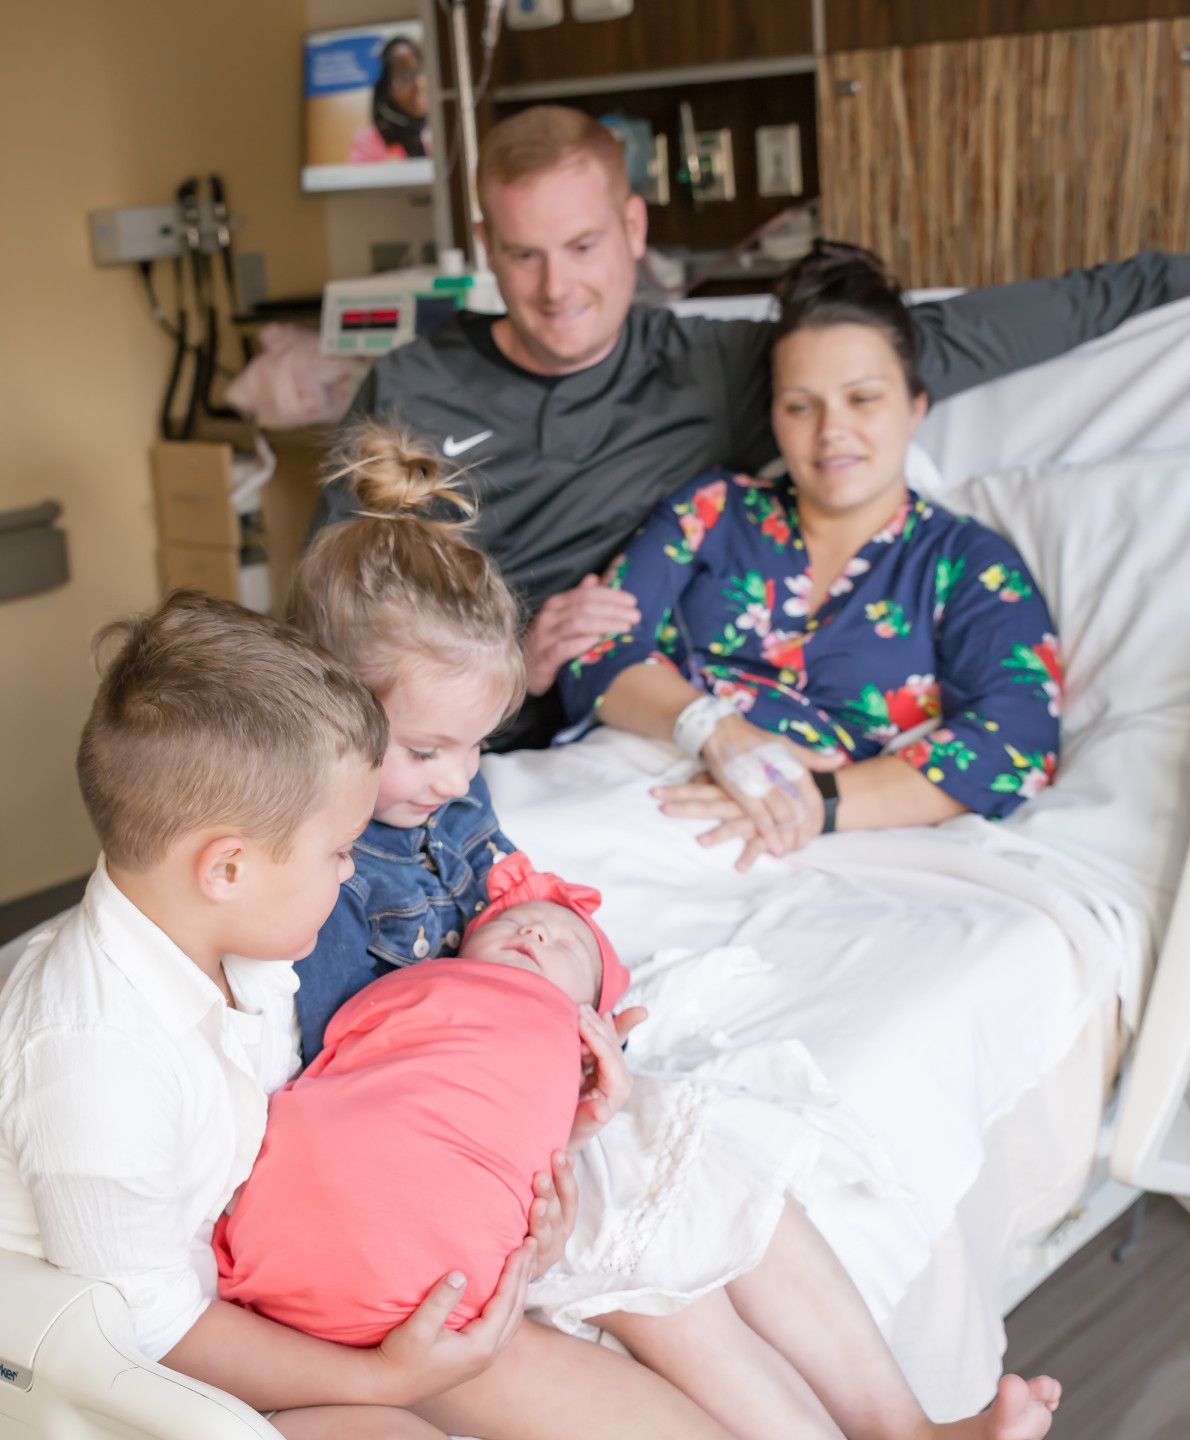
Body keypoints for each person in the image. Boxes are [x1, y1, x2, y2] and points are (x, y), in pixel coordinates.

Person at [290, 421, 1064, 1440]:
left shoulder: (450, 806)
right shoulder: (315, 879)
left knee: (717, 1166)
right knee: (670, 1282)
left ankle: (906, 1428)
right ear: (325, 712)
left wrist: (584, 1007)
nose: (460, 779)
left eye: (479, 747)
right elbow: (346, 1075)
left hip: (525, 1089)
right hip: (452, 1142)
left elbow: (529, 908)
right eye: (431, 749)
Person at [312, 104, 1190, 749]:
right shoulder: (412, 387)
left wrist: (1168, 279)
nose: (557, 289)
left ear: (632, 226)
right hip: (431, 740)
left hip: (612, 731)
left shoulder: (717, 371)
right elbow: (330, 619)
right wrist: (515, 660)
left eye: (583, 246)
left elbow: (957, 334)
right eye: (524, 255)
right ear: (485, 245)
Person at [0, 595, 539, 1440]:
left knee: (551, 1367)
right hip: (82, 1385)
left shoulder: (241, 944)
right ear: (228, 868)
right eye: (339, 851)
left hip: (223, 1294)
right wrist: (379, 1377)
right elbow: (146, 1332)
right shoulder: (93, 1058)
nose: (351, 870)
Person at [558, 241, 1061, 872]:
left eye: (863, 399)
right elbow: (596, 651)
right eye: (801, 406)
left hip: (811, 841)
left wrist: (807, 801)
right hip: (637, 783)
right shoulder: (712, 511)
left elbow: (1019, 743)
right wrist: (714, 729)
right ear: (774, 416)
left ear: (915, 409)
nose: (831, 432)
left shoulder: (968, 564)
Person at [216, 854, 632, 1346]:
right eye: (511, 922)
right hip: (446, 1311)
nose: (536, 933)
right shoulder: (436, 980)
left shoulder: (562, 1046)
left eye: (571, 948)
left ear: (594, 1023)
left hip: (445, 1283)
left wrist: (578, 1120)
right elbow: (348, 1033)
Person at [349, 35, 430, 164]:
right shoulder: (367, 143)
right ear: (385, 90)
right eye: (405, 77)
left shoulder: (437, 132)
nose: (418, 84)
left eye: (420, 71)